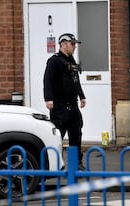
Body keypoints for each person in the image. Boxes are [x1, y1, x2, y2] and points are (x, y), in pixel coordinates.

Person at [43, 33, 86, 170]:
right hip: (59, 104)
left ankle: (76, 163)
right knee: (58, 135)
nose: (74, 47)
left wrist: (81, 96)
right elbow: (47, 80)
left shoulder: (71, 61)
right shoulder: (54, 61)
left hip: (72, 103)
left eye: (75, 44)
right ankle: (56, 163)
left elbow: (75, 80)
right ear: (63, 45)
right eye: (72, 44)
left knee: (76, 133)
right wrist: (48, 99)